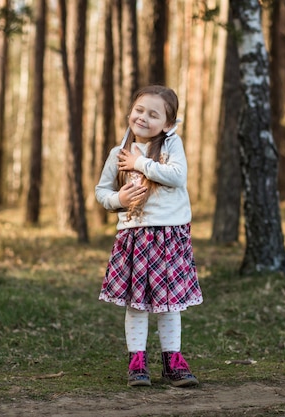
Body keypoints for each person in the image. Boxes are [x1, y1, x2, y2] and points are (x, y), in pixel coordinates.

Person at [95, 85, 203, 388]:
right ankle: (137, 361)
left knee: (170, 305)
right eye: (139, 110)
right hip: (135, 238)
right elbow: (102, 192)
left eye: (154, 115)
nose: (143, 117)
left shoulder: (171, 145)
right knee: (137, 304)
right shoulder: (118, 154)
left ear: (168, 124)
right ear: (131, 111)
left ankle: (173, 362)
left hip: (169, 236)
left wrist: (139, 163)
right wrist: (120, 201)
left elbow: (178, 176)